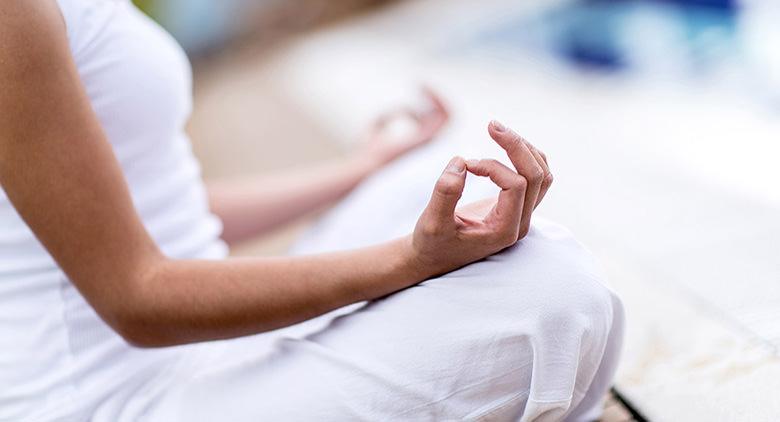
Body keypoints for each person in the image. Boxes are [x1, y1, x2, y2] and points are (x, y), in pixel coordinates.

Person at [0, 0, 623, 421]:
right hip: (122, 399)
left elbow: (152, 208)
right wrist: (412, 259)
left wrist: (355, 172)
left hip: (209, 340)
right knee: (551, 296)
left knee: (424, 174)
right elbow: (137, 298)